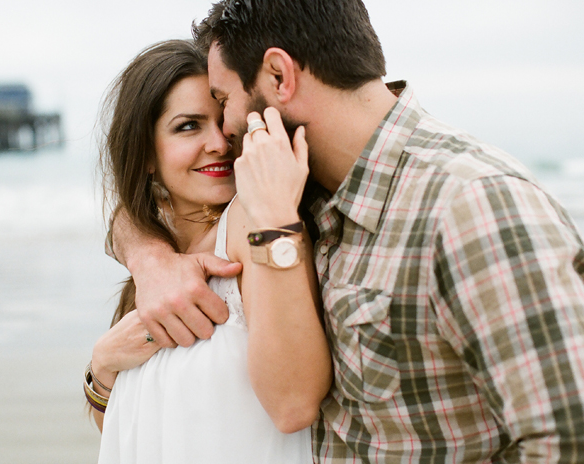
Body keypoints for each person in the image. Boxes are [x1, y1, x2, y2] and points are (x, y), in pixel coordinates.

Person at [109, 1, 584, 462]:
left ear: (278, 76)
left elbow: (567, 436)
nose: (225, 132)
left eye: (225, 100)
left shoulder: (470, 207)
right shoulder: (307, 190)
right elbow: (151, 204)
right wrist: (150, 256)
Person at [86, 39, 332, 464]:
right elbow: (137, 425)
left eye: (224, 120)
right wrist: (102, 369)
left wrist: (273, 220)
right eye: (188, 126)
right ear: (145, 152)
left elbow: (294, 404)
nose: (219, 142)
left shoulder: (254, 221)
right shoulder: (154, 250)